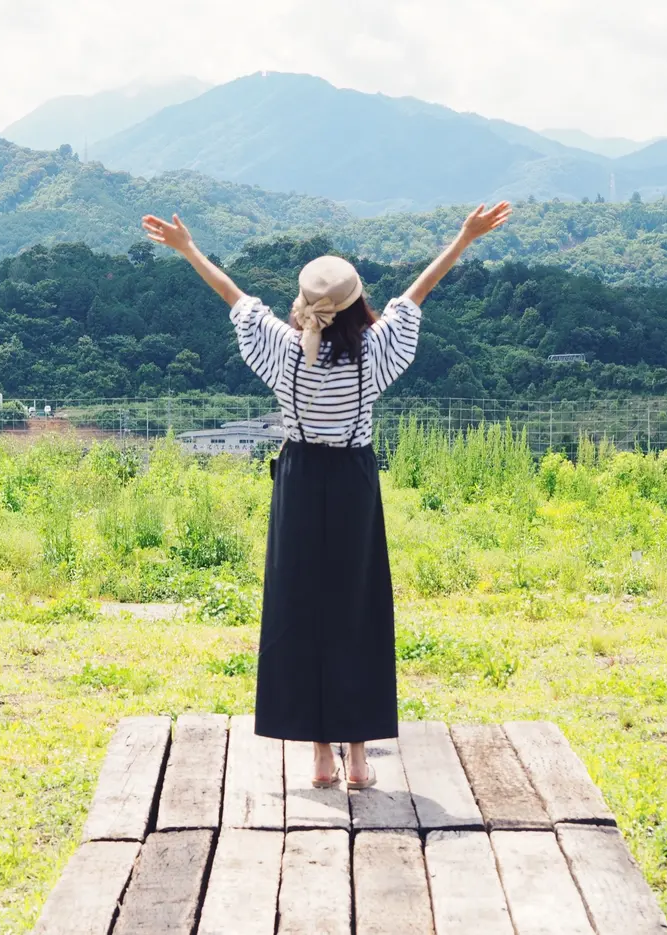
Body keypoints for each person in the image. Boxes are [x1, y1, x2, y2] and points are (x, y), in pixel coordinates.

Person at [142, 203, 512, 787]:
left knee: (300, 608)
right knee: (355, 610)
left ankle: (319, 756)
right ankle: (358, 758)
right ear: (358, 303)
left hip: (299, 479)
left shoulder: (282, 350)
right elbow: (416, 295)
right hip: (352, 482)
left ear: (303, 303)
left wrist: (187, 248)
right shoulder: (377, 352)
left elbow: (235, 297)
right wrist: (465, 237)